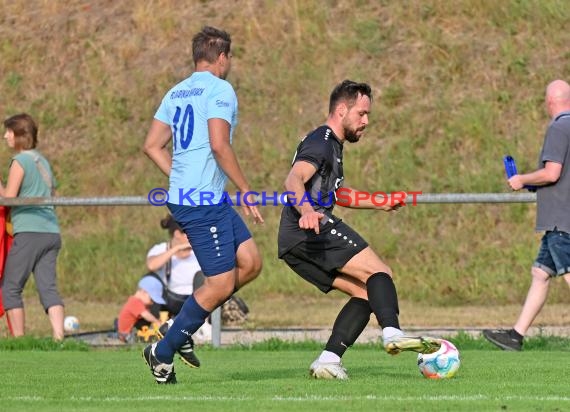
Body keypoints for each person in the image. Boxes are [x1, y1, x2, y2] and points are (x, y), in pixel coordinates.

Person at [277, 80, 441, 380]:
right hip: (308, 230)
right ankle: (392, 333)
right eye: (361, 114)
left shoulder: (331, 145)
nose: (366, 121)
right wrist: (308, 211)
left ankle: (328, 360)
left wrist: (379, 202)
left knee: (368, 294)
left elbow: (337, 194)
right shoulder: (322, 141)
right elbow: (293, 180)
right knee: (380, 272)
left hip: (293, 243)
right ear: (342, 110)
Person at [142, 26, 263, 384]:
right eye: (229, 58)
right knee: (222, 283)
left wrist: (179, 176)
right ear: (222, 58)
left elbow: (152, 145)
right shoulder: (220, 89)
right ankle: (162, 353)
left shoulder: (176, 91)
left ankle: (182, 326)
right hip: (201, 202)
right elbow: (219, 144)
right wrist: (244, 189)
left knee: (251, 263)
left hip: (203, 197)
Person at [483, 79, 570, 351]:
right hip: (561, 217)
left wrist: (522, 179)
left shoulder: (559, 127)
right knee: (540, 273)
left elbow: (552, 173)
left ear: (550, 102)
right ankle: (515, 335)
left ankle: (516, 335)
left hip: (561, 217)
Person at [0, 113, 65, 340]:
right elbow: (52, 194)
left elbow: (9, 198)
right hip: (51, 232)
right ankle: (59, 338)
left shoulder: (20, 161)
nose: (5, 136)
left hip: (29, 232)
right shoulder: (41, 160)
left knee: (10, 287)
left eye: (9, 131)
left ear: (19, 135)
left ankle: (19, 339)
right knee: (48, 287)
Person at [117, 275, 166, 343]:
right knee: (147, 340)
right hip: (126, 335)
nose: (152, 303)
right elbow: (146, 315)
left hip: (127, 333)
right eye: (151, 299)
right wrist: (156, 321)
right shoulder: (135, 302)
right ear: (144, 292)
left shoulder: (135, 302)